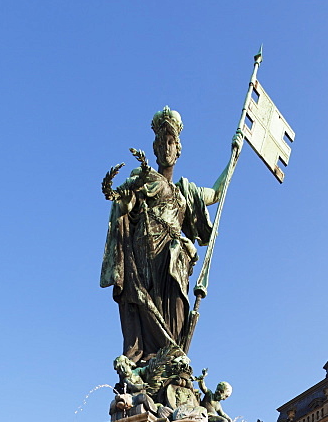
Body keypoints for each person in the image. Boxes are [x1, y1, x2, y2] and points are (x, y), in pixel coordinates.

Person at [101, 107, 237, 362]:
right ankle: (148, 362)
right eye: (161, 143)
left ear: (178, 149)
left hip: (175, 257)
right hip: (146, 253)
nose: (166, 148)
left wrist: (233, 159)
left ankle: (171, 360)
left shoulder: (186, 191)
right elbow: (125, 204)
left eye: (171, 142)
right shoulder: (142, 178)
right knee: (146, 303)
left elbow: (216, 194)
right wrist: (125, 201)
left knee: (175, 307)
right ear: (154, 149)